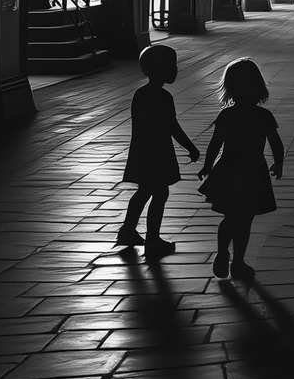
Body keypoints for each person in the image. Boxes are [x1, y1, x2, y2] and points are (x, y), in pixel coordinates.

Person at [198, 56, 283, 280]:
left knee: (229, 216)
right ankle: (238, 262)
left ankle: (222, 252)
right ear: (258, 87)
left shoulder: (227, 115)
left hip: (228, 169)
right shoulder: (263, 116)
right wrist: (278, 162)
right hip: (253, 171)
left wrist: (207, 165)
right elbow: (276, 142)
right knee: (245, 219)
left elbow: (215, 143)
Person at [118, 44, 200, 256]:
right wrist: (190, 146)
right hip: (157, 153)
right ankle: (153, 239)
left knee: (144, 191)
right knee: (160, 193)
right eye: (172, 66)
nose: (175, 69)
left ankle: (127, 230)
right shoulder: (163, 97)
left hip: (142, 152)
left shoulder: (140, 94)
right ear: (161, 69)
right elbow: (172, 126)